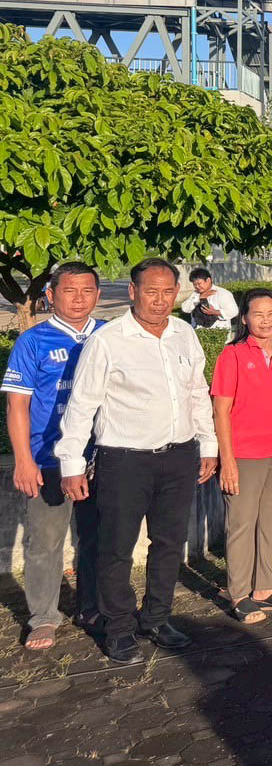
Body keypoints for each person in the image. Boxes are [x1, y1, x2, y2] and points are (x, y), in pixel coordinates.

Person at [56, 259, 219, 665]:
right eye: (151, 291)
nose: (160, 300)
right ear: (133, 291)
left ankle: (157, 619)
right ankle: (119, 628)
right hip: (125, 460)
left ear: (176, 293)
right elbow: (82, 405)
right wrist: (71, 463)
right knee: (116, 548)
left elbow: (197, 392)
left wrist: (208, 444)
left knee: (169, 543)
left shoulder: (184, 334)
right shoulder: (108, 341)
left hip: (179, 456)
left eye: (167, 292)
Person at [3, 262, 103, 650]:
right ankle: (43, 616)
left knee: (97, 537)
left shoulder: (109, 336)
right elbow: (17, 406)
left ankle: (92, 608)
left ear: (98, 294)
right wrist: (23, 460)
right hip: (47, 460)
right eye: (69, 291)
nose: (79, 299)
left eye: (87, 291)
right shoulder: (33, 341)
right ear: (51, 295)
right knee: (45, 543)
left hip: (101, 457)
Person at [211, 288, 272, 623]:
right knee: (241, 524)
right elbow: (221, 411)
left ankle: (265, 586)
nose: (266, 320)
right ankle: (238, 593)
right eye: (258, 314)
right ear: (245, 318)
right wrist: (227, 461)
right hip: (244, 455)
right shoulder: (232, 355)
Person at [180, 267, 239, 332]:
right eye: (194, 284)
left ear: (208, 280)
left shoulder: (222, 293)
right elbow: (185, 309)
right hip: (197, 332)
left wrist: (215, 312)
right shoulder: (196, 294)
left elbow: (234, 311)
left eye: (199, 283)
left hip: (218, 333)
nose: (197, 287)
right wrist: (199, 298)